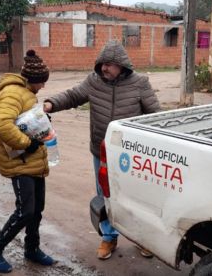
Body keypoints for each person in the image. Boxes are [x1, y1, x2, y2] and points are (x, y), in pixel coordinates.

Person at [43, 40, 160, 260]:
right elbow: (72, 96)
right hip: (102, 152)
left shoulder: (140, 83)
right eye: (102, 64)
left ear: (121, 65)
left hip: (131, 154)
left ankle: (142, 238)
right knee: (104, 194)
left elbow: (155, 114)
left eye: (109, 64)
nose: (104, 68)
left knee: (136, 195)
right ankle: (109, 237)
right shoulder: (94, 82)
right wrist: (49, 104)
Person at [0, 50, 55, 273]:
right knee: (26, 211)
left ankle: (31, 249)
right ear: (33, 80)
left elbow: (21, 120)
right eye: (42, 82)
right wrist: (26, 143)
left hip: (32, 162)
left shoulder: (26, 93)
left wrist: (41, 122)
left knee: (37, 209)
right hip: (20, 162)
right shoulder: (13, 93)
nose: (43, 86)